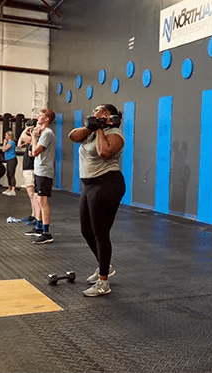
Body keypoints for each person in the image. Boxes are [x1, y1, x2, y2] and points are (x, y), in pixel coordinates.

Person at [68, 104, 125, 297]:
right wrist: (93, 126)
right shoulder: (90, 132)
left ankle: (103, 282)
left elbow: (104, 153)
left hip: (107, 184)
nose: (93, 113)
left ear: (106, 113)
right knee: (86, 230)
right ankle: (105, 266)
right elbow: (72, 136)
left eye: (96, 111)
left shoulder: (115, 133)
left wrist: (100, 127)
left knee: (101, 233)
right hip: (89, 186)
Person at [24, 109, 56, 244]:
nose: (38, 117)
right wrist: (33, 135)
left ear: (47, 119)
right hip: (39, 170)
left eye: (41, 116)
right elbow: (32, 152)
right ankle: (38, 227)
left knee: (43, 201)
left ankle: (47, 232)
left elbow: (35, 151)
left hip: (44, 171)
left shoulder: (47, 133)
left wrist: (34, 137)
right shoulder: (43, 133)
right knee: (37, 199)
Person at [18, 119, 38, 224]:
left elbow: (22, 138)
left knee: (33, 194)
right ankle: (33, 214)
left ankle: (36, 216)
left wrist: (26, 130)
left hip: (31, 168)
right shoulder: (30, 139)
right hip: (27, 168)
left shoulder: (34, 139)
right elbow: (19, 143)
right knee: (31, 194)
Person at [2, 130, 18, 196]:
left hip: (12, 160)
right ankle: (9, 188)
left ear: (9, 136)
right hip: (9, 160)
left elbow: (3, 149)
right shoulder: (9, 142)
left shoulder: (11, 143)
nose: (5, 136)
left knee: (11, 174)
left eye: (6, 135)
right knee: (8, 174)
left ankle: (13, 190)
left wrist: (4, 143)